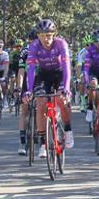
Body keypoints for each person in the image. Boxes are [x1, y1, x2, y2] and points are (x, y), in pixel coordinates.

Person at [23, 19, 74, 156]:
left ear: (54, 34)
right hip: (44, 75)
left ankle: (68, 130)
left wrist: (67, 87)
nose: (46, 39)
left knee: (62, 100)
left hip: (59, 74)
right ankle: (43, 142)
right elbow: (31, 69)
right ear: (38, 35)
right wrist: (29, 89)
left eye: (49, 35)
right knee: (40, 102)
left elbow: (66, 67)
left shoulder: (61, 44)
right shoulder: (34, 46)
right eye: (43, 36)